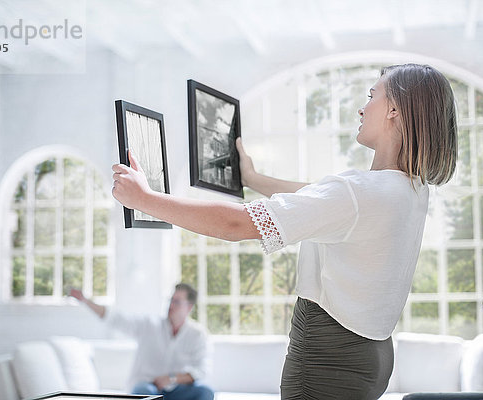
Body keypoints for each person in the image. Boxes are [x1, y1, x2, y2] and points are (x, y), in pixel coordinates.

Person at [111, 63, 457, 399]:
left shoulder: (357, 193)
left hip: (326, 361)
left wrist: (145, 198)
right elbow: (320, 198)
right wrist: (253, 179)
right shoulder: (408, 189)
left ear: (394, 110)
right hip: (371, 358)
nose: (362, 108)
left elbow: (236, 224)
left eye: (372, 96)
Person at [70, 283, 214, 400]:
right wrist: (85, 301)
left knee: (205, 392)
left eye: (177, 302)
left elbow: (201, 371)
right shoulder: (149, 325)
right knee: (143, 391)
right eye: (171, 300)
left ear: (189, 307)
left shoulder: (198, 335)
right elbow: (115, 318)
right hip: (149, 387)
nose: (171, 305)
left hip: (177, 389)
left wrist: (171, 379)